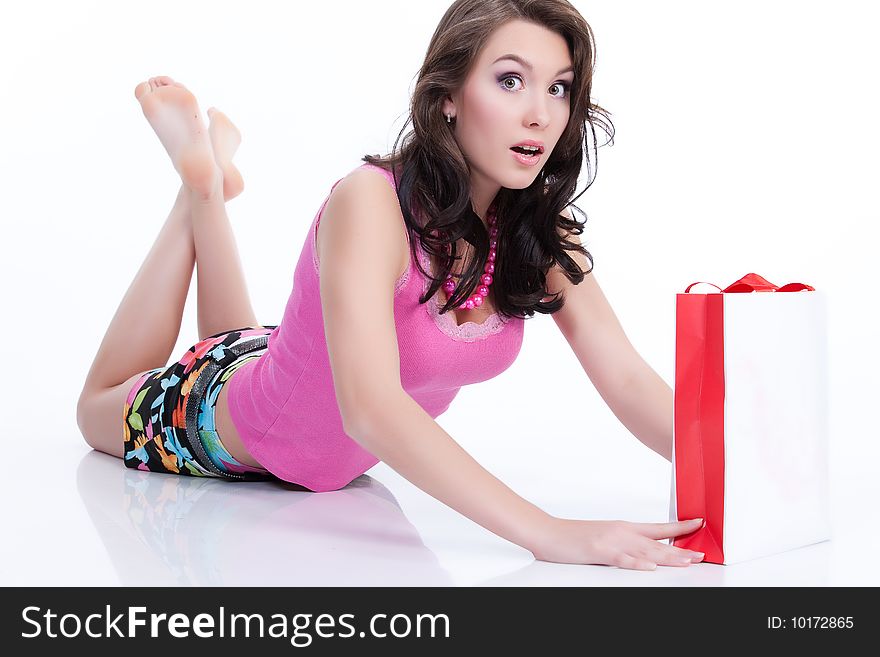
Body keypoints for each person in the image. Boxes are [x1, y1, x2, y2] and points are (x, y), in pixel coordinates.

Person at [76, 0, 705, 570]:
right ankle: (199, 193)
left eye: (560, 88)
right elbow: (370, 409)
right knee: (94, 407)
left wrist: (744, 467)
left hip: (276, 372)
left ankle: (208, 183)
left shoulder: (534, 233)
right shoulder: (370, 203)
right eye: (510, 80)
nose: (541, 114)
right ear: (448, 95)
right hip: (212, 416)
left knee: (244, 348)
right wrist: (546, 533)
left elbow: (624, 375)